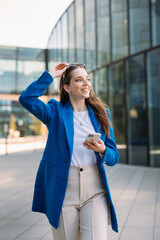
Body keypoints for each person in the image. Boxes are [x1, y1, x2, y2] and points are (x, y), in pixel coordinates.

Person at [19, 62, 119, 240]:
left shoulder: (102, 113)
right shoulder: (54, 112)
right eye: (79, 80)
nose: (86, 83)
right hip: (63, 190)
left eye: (87, 79)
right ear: (67, 87)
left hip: (94, 189)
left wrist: (103, 150)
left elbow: (113, 157)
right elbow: (26, 99)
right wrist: (50, 75)